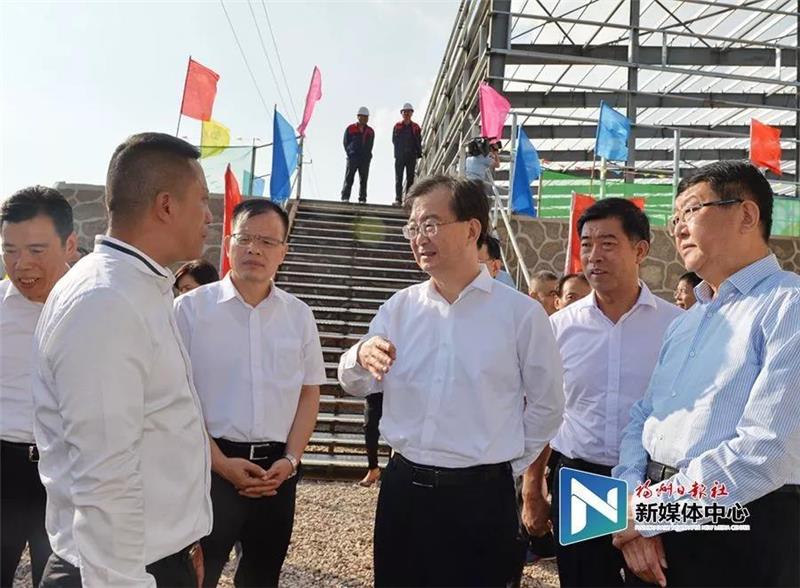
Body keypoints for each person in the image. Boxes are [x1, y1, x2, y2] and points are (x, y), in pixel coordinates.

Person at [338, 175, 564, 587]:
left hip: (482, 499)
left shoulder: (520, 315)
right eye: (413, 227)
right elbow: (354, 382)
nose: (419, 238)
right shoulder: (398, 309)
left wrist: (502, 465)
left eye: (430, 224)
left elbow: (548, 405)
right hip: (405, 490)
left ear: (472, 229)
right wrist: (360, 354)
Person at [32, 132, 213, 587]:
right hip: (114, 573)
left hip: (149, 561)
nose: (210, 216)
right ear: (166, 206)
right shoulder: (106, 301)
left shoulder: (138, 286)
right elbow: (105, 478)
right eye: (202, 201)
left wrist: (185, 546)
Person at [613, 161, 800, 588]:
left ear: (747, 215)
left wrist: (649, 514)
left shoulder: (788, 306)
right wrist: (632, 505)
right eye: (674, 218)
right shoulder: (686, 321)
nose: (678, 228)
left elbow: (768, 450)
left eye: (692, 211)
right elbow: (645, 416)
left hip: (739, 526)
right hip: (656, 516)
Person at [522, 198, 682, 588]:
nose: (594, 256)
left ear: (640, 250)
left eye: (608, 243)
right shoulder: (558, 328)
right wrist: (532, 488)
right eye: (587, 245)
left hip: (653, 483)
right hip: (581, 480)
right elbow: (543, 409)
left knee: (655, 579)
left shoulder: (677, 326)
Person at [174, 198, 325, 587]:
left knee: (262, 576)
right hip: (209, 470)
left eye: (268, 242)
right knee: (194, 577)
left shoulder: (299, 315)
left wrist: (291, 459)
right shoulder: (189, 311)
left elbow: (309, 393)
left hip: (277, 473)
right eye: (245, 238)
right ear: (228, 244)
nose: (255, 249)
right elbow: (174, 399)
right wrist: (221, 464)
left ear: (283, 252)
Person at [0, 187, 75, 587]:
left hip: (68, 467)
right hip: (4, 467)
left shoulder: (92, 308)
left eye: (36, 250)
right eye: (9, 250)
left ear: (69, 245)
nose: (21, 264)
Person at [341, 106, 375, 204]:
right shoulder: (350, 128)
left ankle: (362, 198)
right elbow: (345, 142)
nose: (364, 119)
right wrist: (350, 153)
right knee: (349, 177)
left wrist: (368, 156)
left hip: (364, 159)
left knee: (363, 179)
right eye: (363, 116)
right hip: (353, 157)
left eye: (366, 117)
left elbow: (371, 144)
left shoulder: (370, 131)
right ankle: (345, 197)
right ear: (358, 116)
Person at [392, 103, 422, 206]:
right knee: (398, 178)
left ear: (411, 113)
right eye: (404, 112)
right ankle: (398, 199)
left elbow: (419, 140)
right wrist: (398, 152)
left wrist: (418, 153)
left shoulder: (416, 127)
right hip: (400, 156)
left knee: (410, 178)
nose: (406, 114)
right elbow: (394, 140)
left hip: (411, 156)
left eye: (408, 112)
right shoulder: (397, 126)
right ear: (402, 113)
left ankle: (408, 200)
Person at [359, 393, 384, 488]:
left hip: (398, 392)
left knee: (397, 429)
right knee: (369, 427)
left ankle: (395, 471)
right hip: (374, 391)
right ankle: (373, 468)